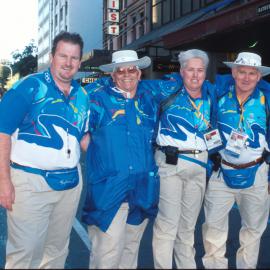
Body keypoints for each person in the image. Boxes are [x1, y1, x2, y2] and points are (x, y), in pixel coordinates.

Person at [0, 31, 89, 269]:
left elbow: (83, 137)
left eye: (74, 57)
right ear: (52, 57)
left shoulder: (82, 95)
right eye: (63, 55)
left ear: (80, 62)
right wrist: (3, 182)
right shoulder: (29, 87)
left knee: (57, 252)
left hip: (69, 184)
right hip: (31, 182)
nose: (68, 63)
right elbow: (2, 133)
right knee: (25, 253)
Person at [81, 50, 168, 269]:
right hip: (110, 187)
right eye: (120, 70)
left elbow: (187, 81)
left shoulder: (149, 98)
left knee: (131, 249)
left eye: (132, 69)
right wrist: (97, 155)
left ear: (140, 73)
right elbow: (75, 127)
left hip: (142, 186)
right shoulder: (95, 97)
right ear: (113, 74)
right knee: (107, 252)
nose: (126, 74)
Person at [152, 49, 221, 269]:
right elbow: (134, 88)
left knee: (187, 228)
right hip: (171, 164)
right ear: (181, 71)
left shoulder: (210, 94)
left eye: (200, 70)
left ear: (205, 73)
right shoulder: (166, 89)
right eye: (190, 69)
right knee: (167, 225)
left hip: (199, 166)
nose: (195, 75)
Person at [202, 52, 270, 269]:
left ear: (259, 77)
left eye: (252, 73)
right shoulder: (218, 96)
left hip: (257, 173)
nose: (246, 78)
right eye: (242, 72)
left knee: (252, 231)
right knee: (213, 231)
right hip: (221, 173)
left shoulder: (266, 100)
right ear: (233, 72)